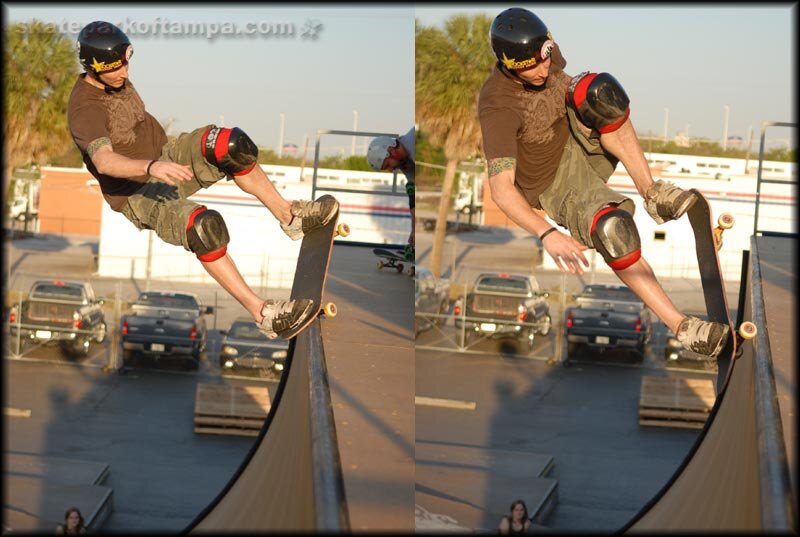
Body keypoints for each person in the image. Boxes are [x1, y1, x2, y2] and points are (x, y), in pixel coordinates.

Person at [478, 8, 729, 358]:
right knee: (614, 231)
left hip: (577, 137)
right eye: (529, 68)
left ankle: (653, 193)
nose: (543, 71)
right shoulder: (497, 106)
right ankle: (683, 327)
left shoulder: (544, 53)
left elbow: (557, 74)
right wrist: (547, 234)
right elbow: (501, 189)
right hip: (555, 181)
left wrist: (570, 88)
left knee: (598, 91)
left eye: (544, 60)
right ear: (508, 65)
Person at [68, 21, 337, 340]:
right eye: (115, 69)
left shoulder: (116, 75)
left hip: (167, 153)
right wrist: (151, 167)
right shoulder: (85, 107)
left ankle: (291, 217)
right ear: (94, 68)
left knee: (231, 145)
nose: (124, 74)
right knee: (204, 227)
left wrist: (160, 159)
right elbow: (104, 160)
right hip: (137, 192)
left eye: (126, 63)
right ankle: (263, 314)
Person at [367, 127, 415, 261]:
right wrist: (414, 230)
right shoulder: (407, 164)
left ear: (391, 150)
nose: (391, 170)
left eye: (387, 164)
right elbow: (414, 199)